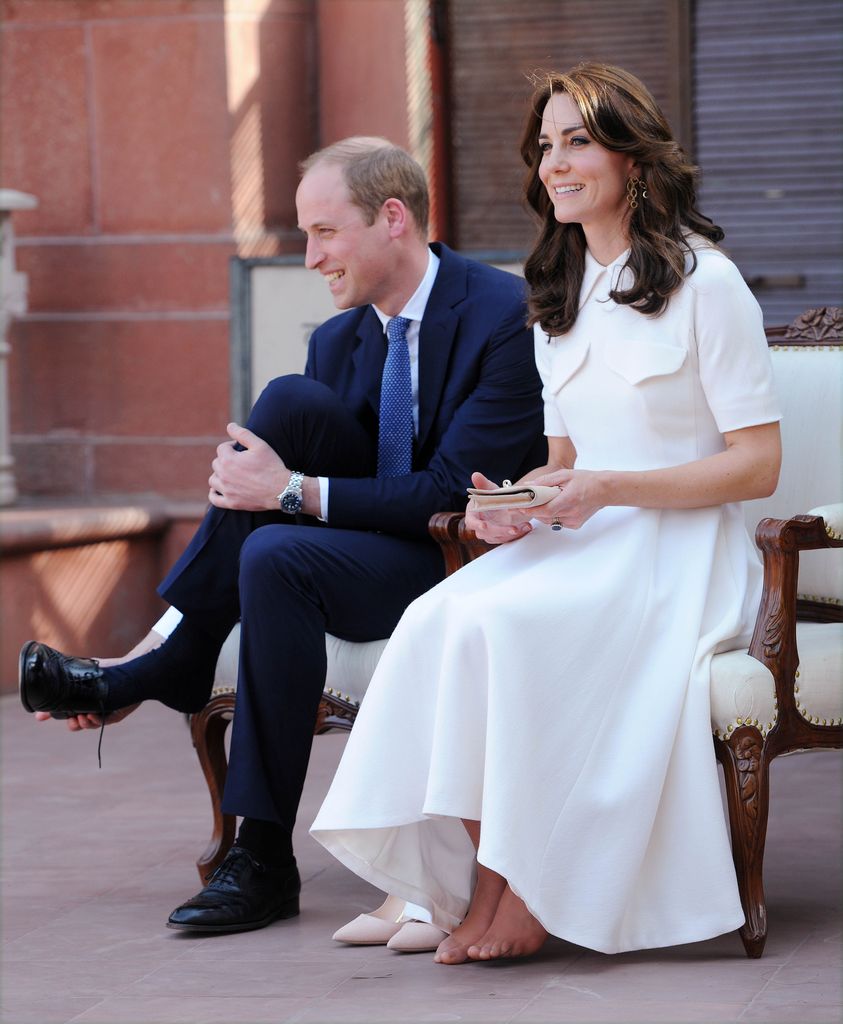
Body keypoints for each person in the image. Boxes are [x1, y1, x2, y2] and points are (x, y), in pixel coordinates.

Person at [310, 64, 783, 963]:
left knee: (504, 622)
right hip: (590, 539)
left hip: (681, 554)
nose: (555, 162)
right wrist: (513, 506)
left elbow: (757, 465)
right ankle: (487, 879)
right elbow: (563, 463)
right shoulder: (560, 299)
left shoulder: (704, 283)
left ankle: (522, 890)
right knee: (440, 617)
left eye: (576, 141)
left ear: (631, 157)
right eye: (544, 146)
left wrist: (607, 489)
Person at [18, 137, 546, 936]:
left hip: (460, 559)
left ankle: (173, 671)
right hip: (370, 551)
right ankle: (259, 850)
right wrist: (274, 494)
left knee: (279, 516)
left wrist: (288, 490)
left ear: (392, 219)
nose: (309, 258)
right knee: (286, 437)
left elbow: (448, 493)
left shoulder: (501, 315)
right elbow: (299, 506)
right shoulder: (339, 339)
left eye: (324, 232)